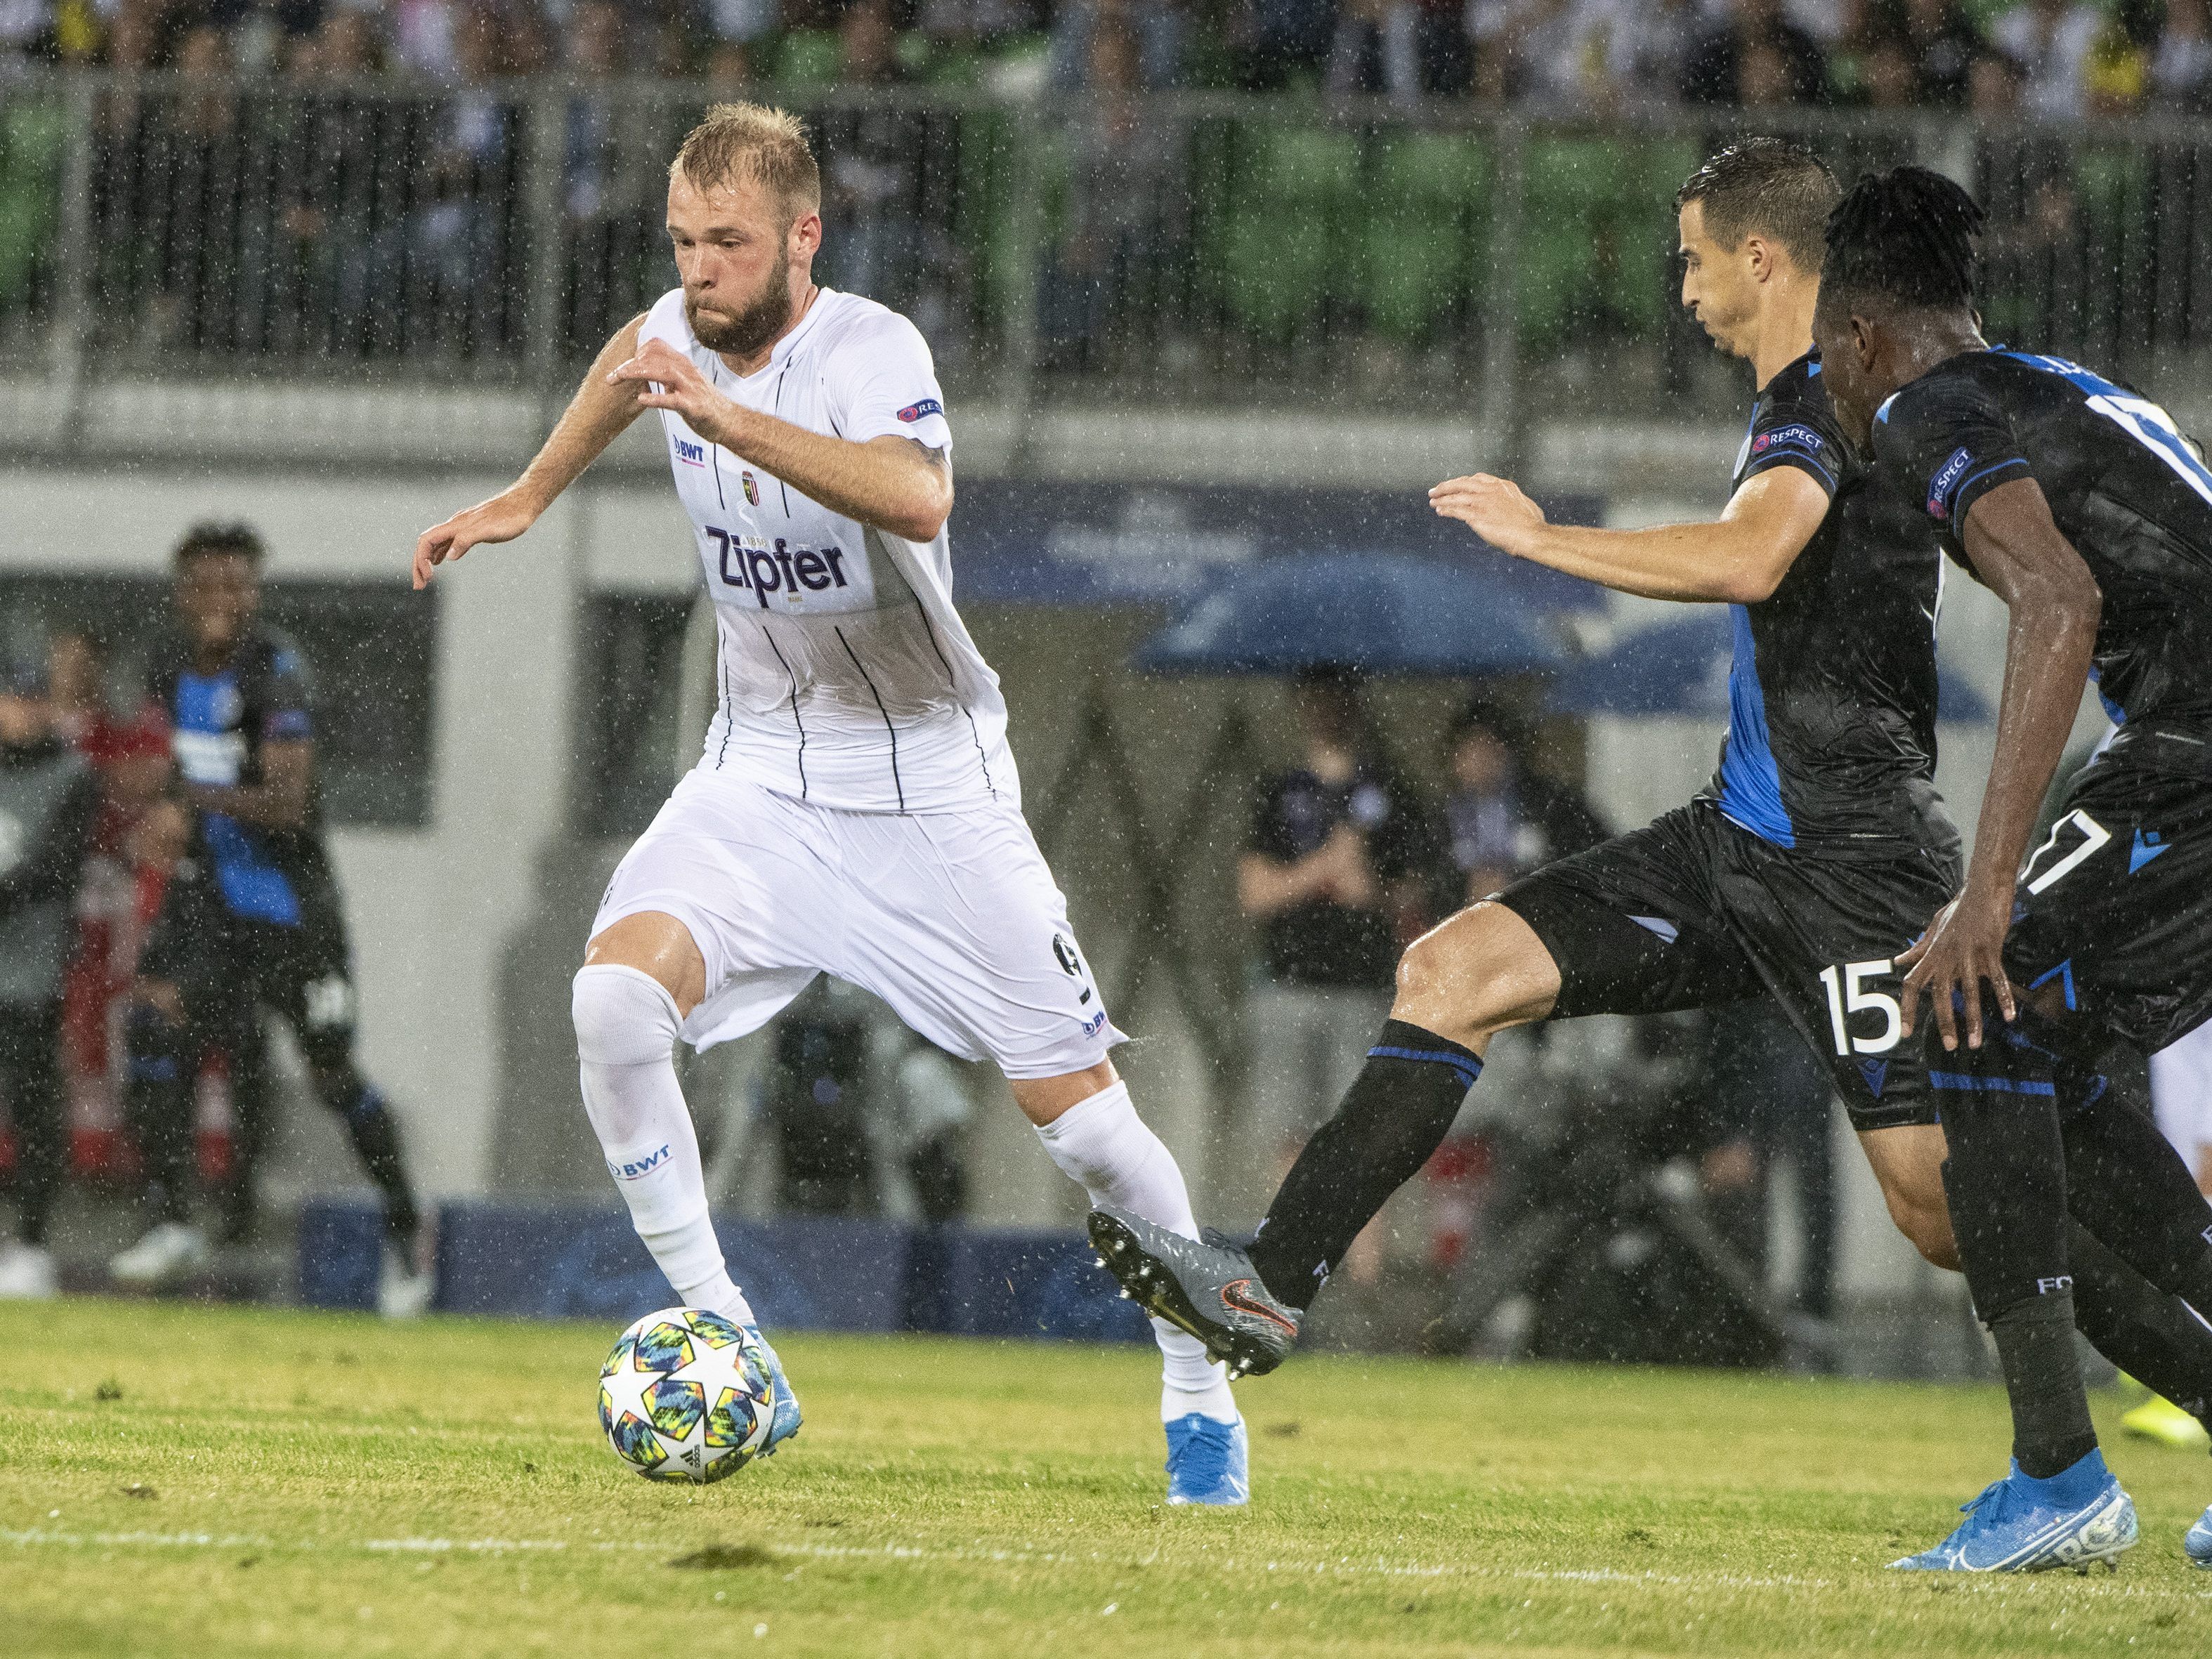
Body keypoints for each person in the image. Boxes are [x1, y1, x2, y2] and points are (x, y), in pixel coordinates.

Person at [1085, 140, 2212, 1542]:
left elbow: (1750, 553)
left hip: (1851, 854)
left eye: (1690, 255)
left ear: (1759, 259)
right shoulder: (1834, 396)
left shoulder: (1831, 400)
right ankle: (1266, 1281)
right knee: (1453, 968)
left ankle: (2113, 1443)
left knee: (1937, 1202)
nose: (1677, 286)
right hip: (1734, 840)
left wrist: (1540, 536)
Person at [409, 102, 1248, 1505]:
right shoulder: (673, 331)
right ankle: (729, 1329)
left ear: (803, 233)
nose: (699, 271)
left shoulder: (873, 349)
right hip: (758, 778)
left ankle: (1194, 1373)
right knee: (610, 1004)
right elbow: (629, 361)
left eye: (727, 243)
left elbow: (914, 501)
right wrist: (527, 494)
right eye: (682, 242)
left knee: (1088, 1126)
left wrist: (728, 416)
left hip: (928, 788)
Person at [1813, 165, 2212, 1572]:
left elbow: (2058, 596)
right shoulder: (2051, 386)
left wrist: (1985, 888)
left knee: (1972, 993)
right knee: (2031, 1037)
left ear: (1856, 337)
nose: (1832, 398)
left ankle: (2055, 1473)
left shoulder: (1927, 412)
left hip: (2194, 746)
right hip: (2182, 745)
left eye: (1823, 361)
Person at [112, 523, 431, 1318]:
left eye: (240, 587)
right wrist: (150, 800)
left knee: (331, 1075)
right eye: (210, 587)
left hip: (290, 912)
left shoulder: (274, 673)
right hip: (209, 901)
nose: (226, 603)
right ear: (184, 595)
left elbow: (288, 805)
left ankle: (405, 1227)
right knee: (152, 1021)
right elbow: (153, 765)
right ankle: (171, 1220)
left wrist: (187, 801)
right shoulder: (164, 664)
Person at [1239, 667, 1434, 1221]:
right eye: (1315, 698)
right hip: (1289, 984)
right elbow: (1253, 892)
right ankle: (1286, 1258)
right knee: (1289, 1131)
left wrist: (1369, 891)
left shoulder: (1390, 791)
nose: (1326, 709)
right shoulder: (1281, 790)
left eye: (1337, 697)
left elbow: (1417, 894)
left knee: (1360, 1137)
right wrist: (1318, 872)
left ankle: (1362, 1275)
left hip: (1364, 987)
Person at [0, 656, 100, 1299]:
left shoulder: (72, 776)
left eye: (38, 699)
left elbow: (56, 868)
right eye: (16, 697)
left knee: (34, 1111)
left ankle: (31, 1244)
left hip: (30, 975)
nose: (27, 710)